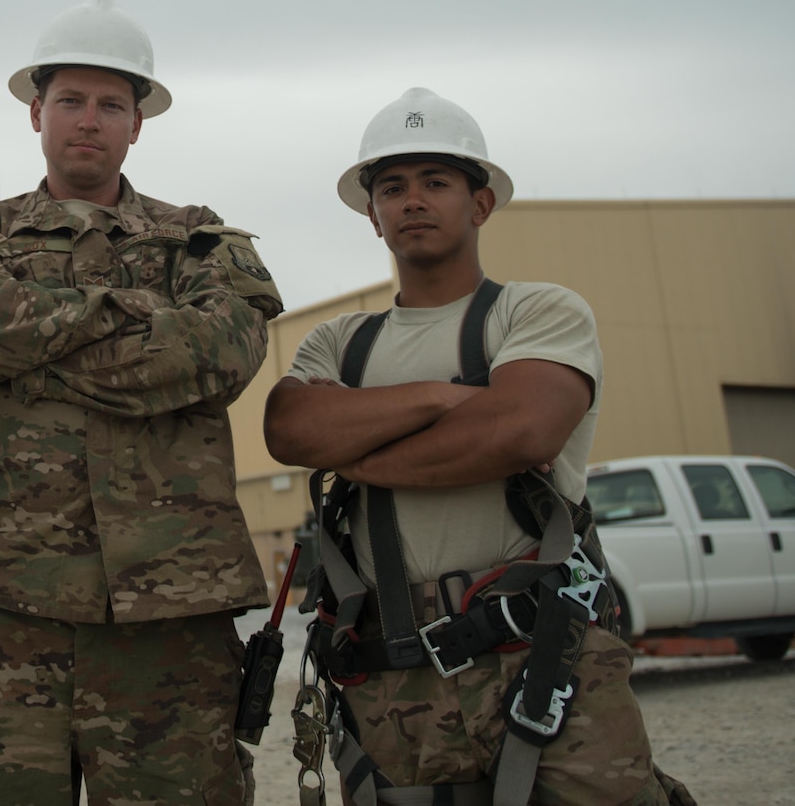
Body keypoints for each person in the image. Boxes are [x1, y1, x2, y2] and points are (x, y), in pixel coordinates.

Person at [265, 88, 691, 806]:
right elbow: (291, 431)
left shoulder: (538, 311)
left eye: (437, 182)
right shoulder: (338, 343)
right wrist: (441, 397)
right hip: (390, 673)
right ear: (372, 215)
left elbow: (521, 430)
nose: (413, 201)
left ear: (481, 204)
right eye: (392, 188)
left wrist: (358, 451)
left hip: (542, 659)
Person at [0, 0, 285, 805]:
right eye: (71, 101)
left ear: (137, 123)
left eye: (112, 103)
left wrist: (36, 361)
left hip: (170, 616)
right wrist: (146, 322)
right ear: (36, 113)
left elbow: (224, 351)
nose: (90, 120)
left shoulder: (200, 240)